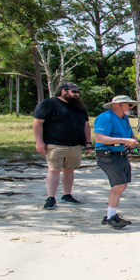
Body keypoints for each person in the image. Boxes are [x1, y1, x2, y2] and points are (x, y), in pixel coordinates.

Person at [32, 82, 91, 210]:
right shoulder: (49, 103)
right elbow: (37, 122)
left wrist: (88, 142)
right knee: (54, 170)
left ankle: (67, 195)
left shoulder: (79, 107)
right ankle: (50, 198)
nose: (77, 94)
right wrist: (39, 141)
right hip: (55, 143)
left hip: (75, 144)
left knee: (69, 169)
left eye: (78, 92)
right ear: (64, 91)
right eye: (74, 91)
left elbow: (86, 124)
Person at [93, 95, 140, 229]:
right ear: (118, 105)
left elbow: (130, 135)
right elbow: (99, 137)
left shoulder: (124, 119)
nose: (131, 107)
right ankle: (110, 218)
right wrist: (124, 141)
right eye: (129, 105)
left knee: (122, 185)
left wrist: (133, 141)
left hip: (121, 156)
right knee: (119, 185)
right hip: (108, 157)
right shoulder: (105, 117)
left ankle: (110, 214)